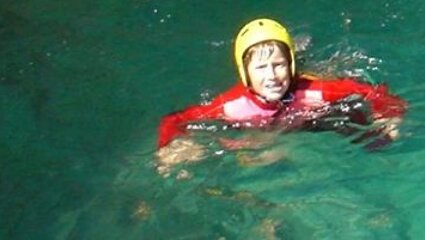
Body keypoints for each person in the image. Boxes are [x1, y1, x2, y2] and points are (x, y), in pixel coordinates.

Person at [156, 18, 408, 171]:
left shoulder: (312, 91)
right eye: (261, 68)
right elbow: (174, 120)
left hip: (308, 116)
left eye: (279, 65)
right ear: (245, 74)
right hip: (269, 126)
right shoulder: (233, 106)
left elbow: (373, 93)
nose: (272, 76)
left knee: (372, 139)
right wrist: (173, 146)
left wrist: (389, 117)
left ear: (290, 66)